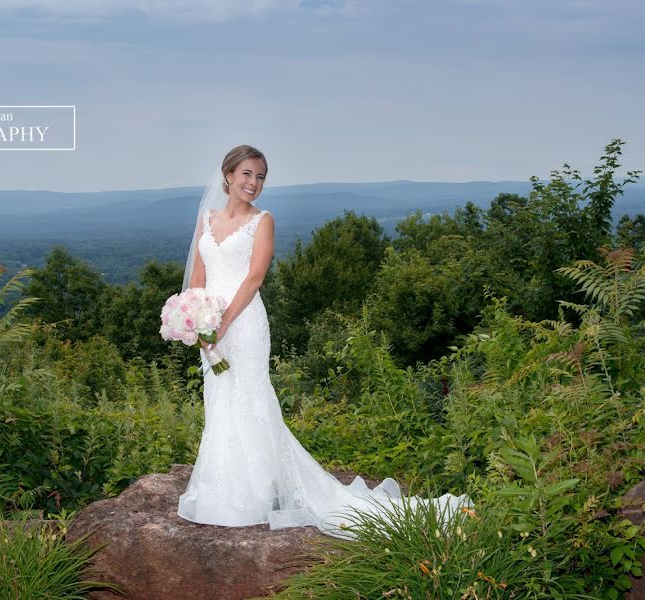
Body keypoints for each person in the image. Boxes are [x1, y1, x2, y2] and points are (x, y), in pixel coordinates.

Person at [176, 144, 469, 539]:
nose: (254, 183)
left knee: (251, 398)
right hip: (212, 326)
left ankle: (256, 493)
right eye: (247, 174)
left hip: (244, 324)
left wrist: (224, 323)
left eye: (261, 177)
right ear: (227, 175)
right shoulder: (205, 222)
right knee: (220, 398)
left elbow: (255, 278)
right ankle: (222, 490)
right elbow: (197, 276)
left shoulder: (263, 221)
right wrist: (196, 320)